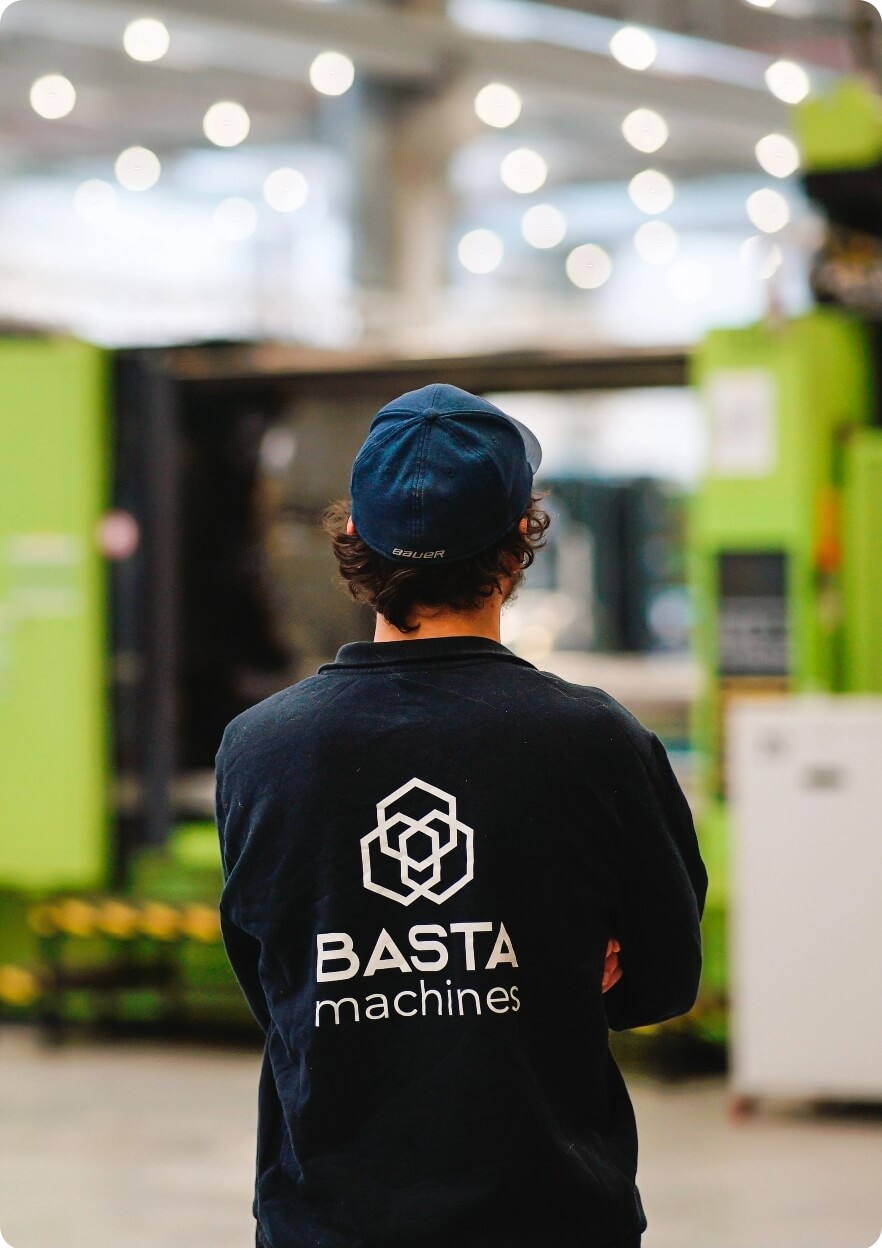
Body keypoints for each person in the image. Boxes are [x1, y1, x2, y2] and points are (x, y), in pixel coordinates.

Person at [215, 383, 708, 1249]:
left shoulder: (259, 750)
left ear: (355, 538)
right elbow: (663, 982)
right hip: (549, 1219)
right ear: (522, 540)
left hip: (329, 1224)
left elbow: (279, 985)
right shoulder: (597, 742)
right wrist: (553, 963)